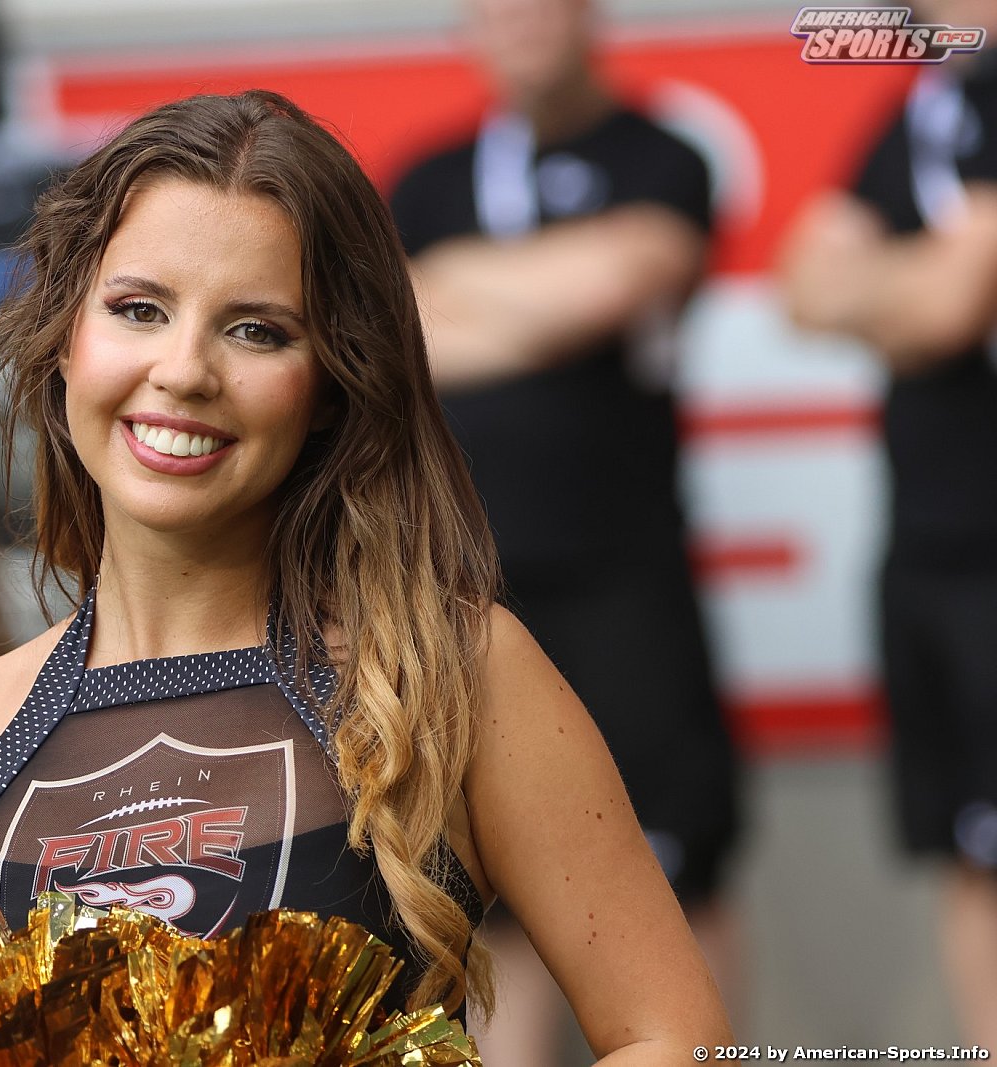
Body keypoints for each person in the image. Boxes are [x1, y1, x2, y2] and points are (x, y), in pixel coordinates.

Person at [0, 89, 732, 1059]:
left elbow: (675, 1034)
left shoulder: (451, 675)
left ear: (329, 385)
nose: (184, 370)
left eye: (257, 330)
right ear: (66, 337)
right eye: (139, 309)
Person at [386, 0, 740, 1058]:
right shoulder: (426, 179)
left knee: (683, 864)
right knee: (493, 895)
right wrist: (529, 309)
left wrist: (458, 292)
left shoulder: (663, 155)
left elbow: (621, 278)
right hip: (466, 583)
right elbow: (395, 330)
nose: (519, 21)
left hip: (626, 574)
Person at [779, 1, 997, 1047]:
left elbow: (951, 303)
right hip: (931, 546)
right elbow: (802, 285)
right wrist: (915, 289)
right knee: (970, 849)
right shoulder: (923, 105)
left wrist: (895, 289)